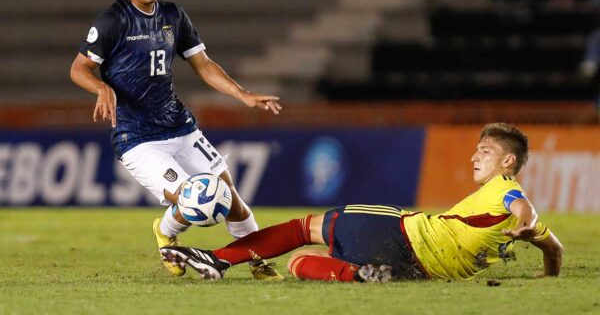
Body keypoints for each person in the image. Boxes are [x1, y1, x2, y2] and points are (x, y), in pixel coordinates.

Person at [70, 0, 283, 280]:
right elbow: (78, 68)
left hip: (180, 126)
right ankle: (166, 233)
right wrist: (101, 87)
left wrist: (242, 94)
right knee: (194, 200)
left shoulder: (173, 15)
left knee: (230, 198)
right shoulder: (112, 21)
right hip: (138, 137)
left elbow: (204, 65)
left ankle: (257, 258)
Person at [161, 123, 564, 282]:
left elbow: (520, 205)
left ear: (508, 162)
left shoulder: (506, 188)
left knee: (306, 228)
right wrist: (547, 274)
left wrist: (526, 217)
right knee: (299, 265)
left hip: (405, 232)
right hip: (423, 271)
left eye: (486, 151)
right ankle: (360, 274)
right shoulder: (506, 207)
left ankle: (217, 258)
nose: (475, 156)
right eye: (476, 150)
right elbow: (554, 247)